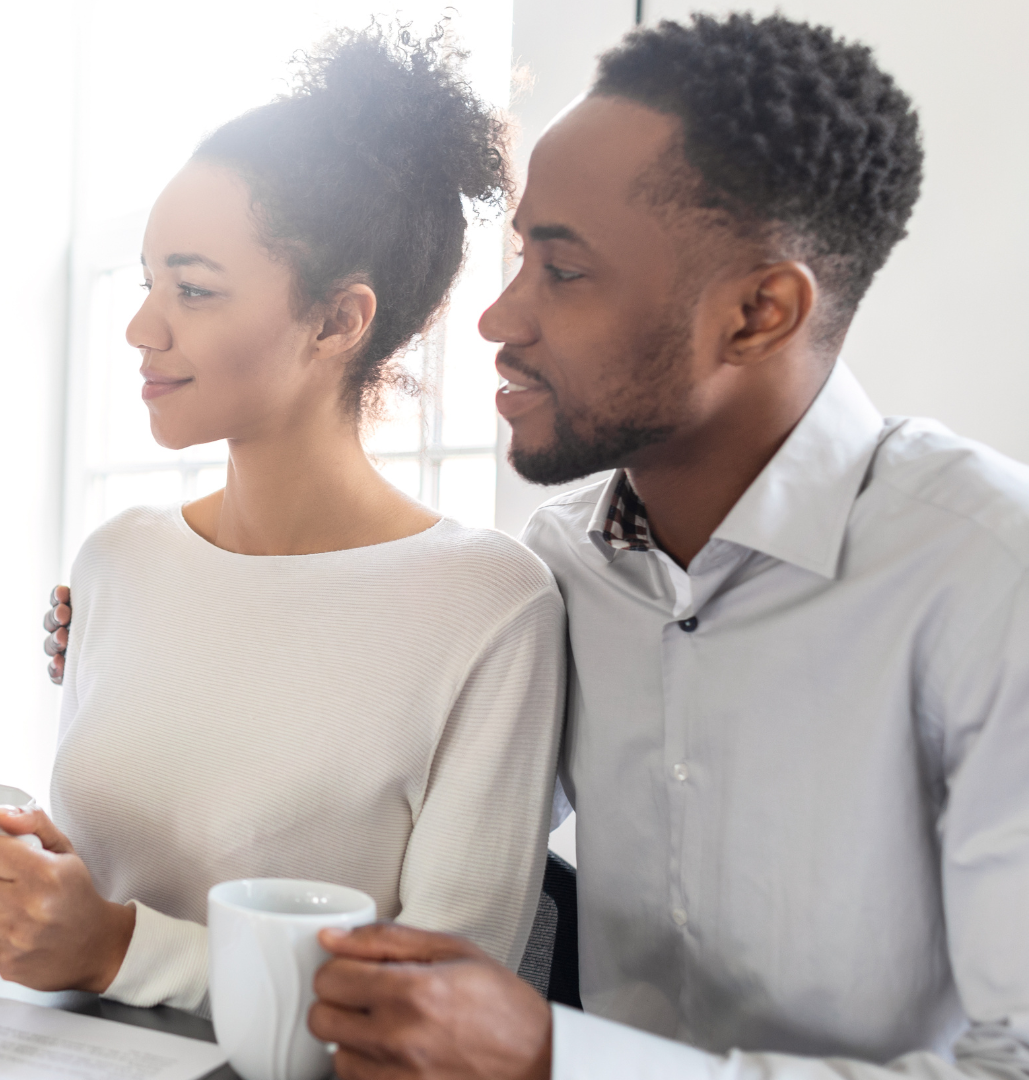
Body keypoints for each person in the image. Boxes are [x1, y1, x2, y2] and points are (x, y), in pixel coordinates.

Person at [59, 14, 1029, 1078]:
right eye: (521, 253)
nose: (497, 318)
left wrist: (554, 1056)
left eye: (563, 273)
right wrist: (139, 634)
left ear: (759, 313)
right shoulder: (564, 568)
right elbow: (359, 759)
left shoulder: (990, 580)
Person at [0, 25, 565, 1012]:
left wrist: (114, 947)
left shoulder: (489, 607)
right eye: (150, 280)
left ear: (338, 320)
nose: (142, 328)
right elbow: (96, 906)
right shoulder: (118, 561)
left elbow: (438, 1007)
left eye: (193, 289)